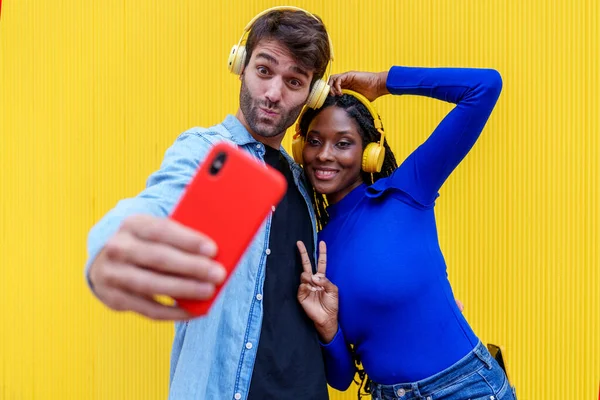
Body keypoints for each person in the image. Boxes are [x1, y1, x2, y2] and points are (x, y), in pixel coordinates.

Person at [84, 7, 335, 400]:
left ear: (311, 94)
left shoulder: (304, 184)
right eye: (264, 70)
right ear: (240, 64)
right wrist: (109, 244)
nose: (273, 93)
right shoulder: (204, 151)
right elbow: (162, 199)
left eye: (294, 81)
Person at [294, 66, 517, 400]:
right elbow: (340, 378)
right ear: (300, 151)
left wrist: (382, 83)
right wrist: (328, 328)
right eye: (315, 141)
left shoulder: (405, 191)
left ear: (370, 153)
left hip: (464, 389)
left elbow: (484, 87)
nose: (325, 154)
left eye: (343, 143)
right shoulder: (318, 247)